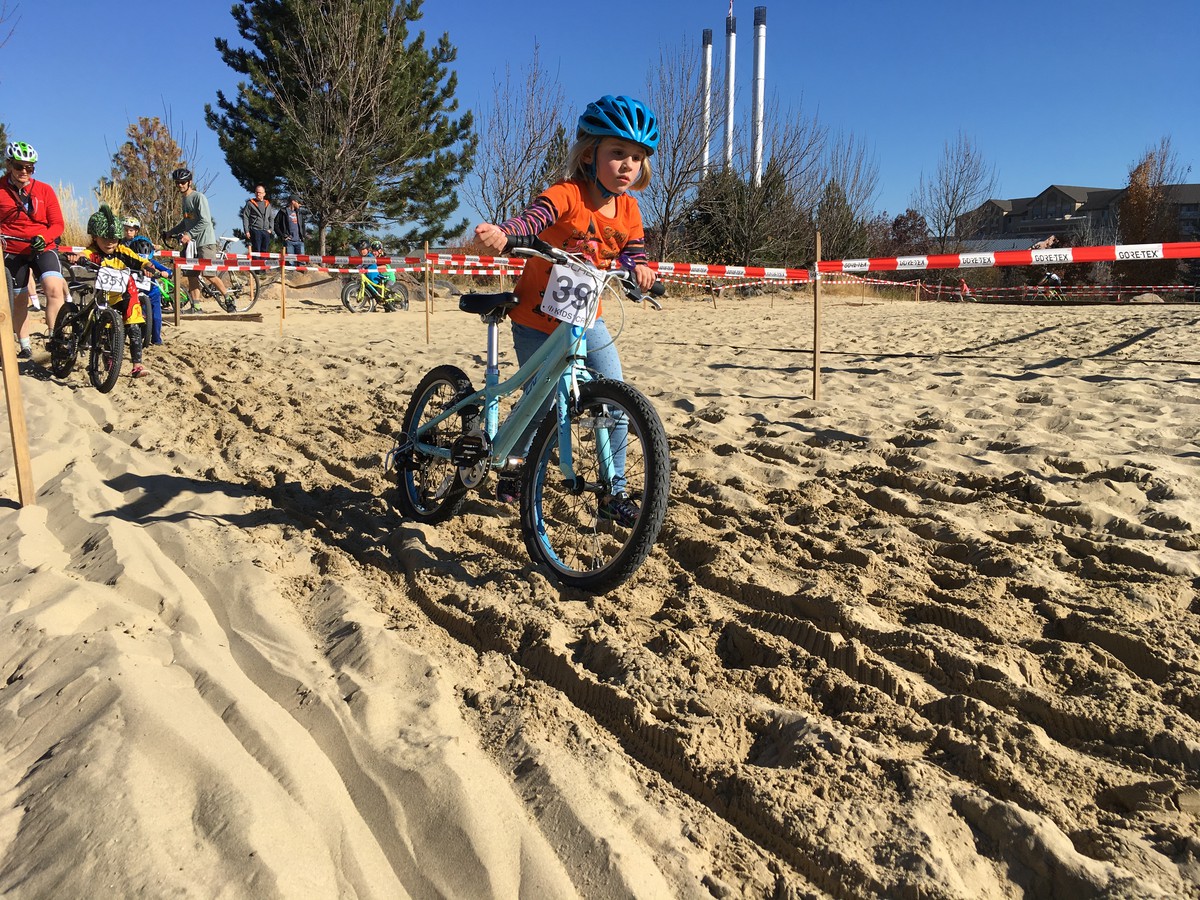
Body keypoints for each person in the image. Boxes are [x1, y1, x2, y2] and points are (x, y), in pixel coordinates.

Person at [473, 94, 658, 523]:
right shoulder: (566, 193)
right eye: (618, 153)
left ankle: (615, 490)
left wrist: (642, 270)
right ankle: (515, 467)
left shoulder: (630, 208)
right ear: (590, 153)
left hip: (586, 318)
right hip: (536, 319)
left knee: (615, 394)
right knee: (540, 402)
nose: (628, 165)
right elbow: (532, 221)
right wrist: (506, 234)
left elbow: (633, 252)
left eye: (636, 157)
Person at [1, 141, 68, 360]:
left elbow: (58, 224)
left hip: (42, 246)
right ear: (9, 165)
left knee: (54, 288)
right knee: (20, 299)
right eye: (20, 166)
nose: (24, 172)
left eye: (30, 168)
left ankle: (56, 338)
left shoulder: (44, 190)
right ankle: (24, 344)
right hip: (11, 249)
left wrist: (44, 237)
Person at [77, 204, 162, 378]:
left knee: (134, 325)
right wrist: (78, 259)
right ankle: (108, 358)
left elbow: (140, 260)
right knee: (103, 325)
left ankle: (137, 364)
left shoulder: (123, 251)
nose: (110, 243)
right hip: (104, 296)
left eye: (114, 239)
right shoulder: (93, 252)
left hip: (126, 293)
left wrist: (147, 266)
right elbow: (84, 256)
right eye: (105, 238)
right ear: (95, 237)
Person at [164, 167, 233, 313]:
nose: (180, 185)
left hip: (205, 242)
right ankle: (196, 306)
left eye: (183, 182)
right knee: (192, 275)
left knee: (209, 274)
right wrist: (171, 232)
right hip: (192, 245)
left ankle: (228, 298)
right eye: (177, 183)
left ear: (189, 182)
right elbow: (186, 222)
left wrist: (189, 234)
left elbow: (205, 221)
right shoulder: (184, 199)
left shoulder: (198, 197)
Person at [121, 217, 170, 345]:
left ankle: (157, 339)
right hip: (134, 289)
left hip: (152, 290)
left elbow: (166, 270)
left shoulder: (152, 261)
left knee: (156, 316)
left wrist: (166, 273)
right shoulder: (127, 258)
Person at [240, 184, 275, 254]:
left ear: (264, 194)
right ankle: (256, 264)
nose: (258, 194)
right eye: (256, 192)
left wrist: (271, 229)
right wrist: (246, 231)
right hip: (255, 230)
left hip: (266, 231)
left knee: (264, 252)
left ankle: (263, 265)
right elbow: (245, 216)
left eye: (260, 193)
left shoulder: (268, 204)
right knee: (256, 251)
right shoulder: (250, 203)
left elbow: (271, 217)